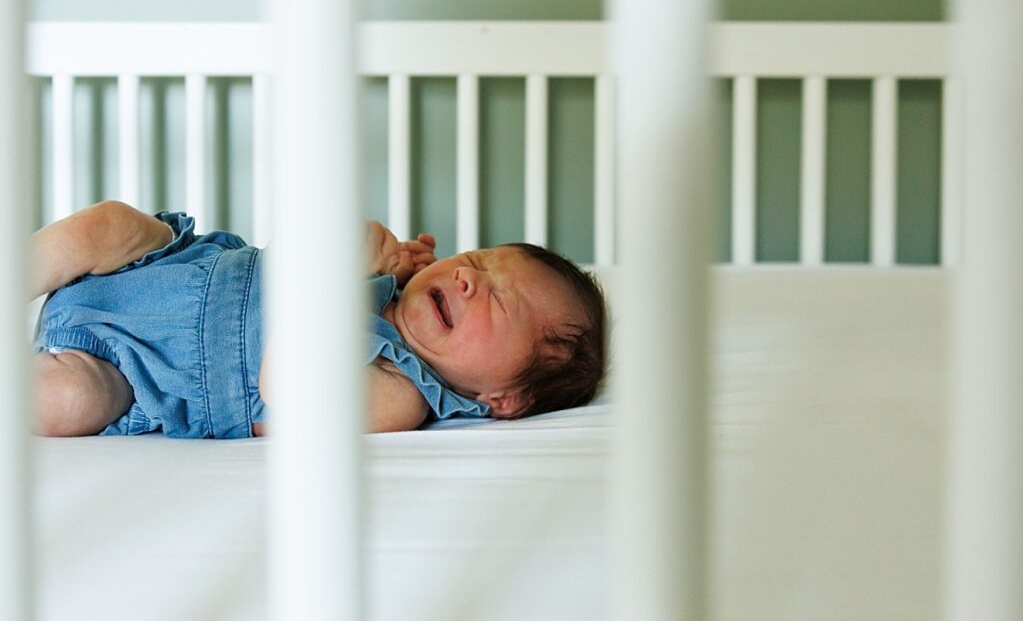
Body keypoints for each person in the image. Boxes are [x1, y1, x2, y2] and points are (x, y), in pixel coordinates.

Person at [30, 201, 607, 437]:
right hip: (173, 265)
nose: (467, 279)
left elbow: (287, 386)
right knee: (107, 223)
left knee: (69, 399)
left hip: (141, 375)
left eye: (499, 300)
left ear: (505, 398)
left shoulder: (399, 393)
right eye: (479, 262)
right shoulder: (388, 282)